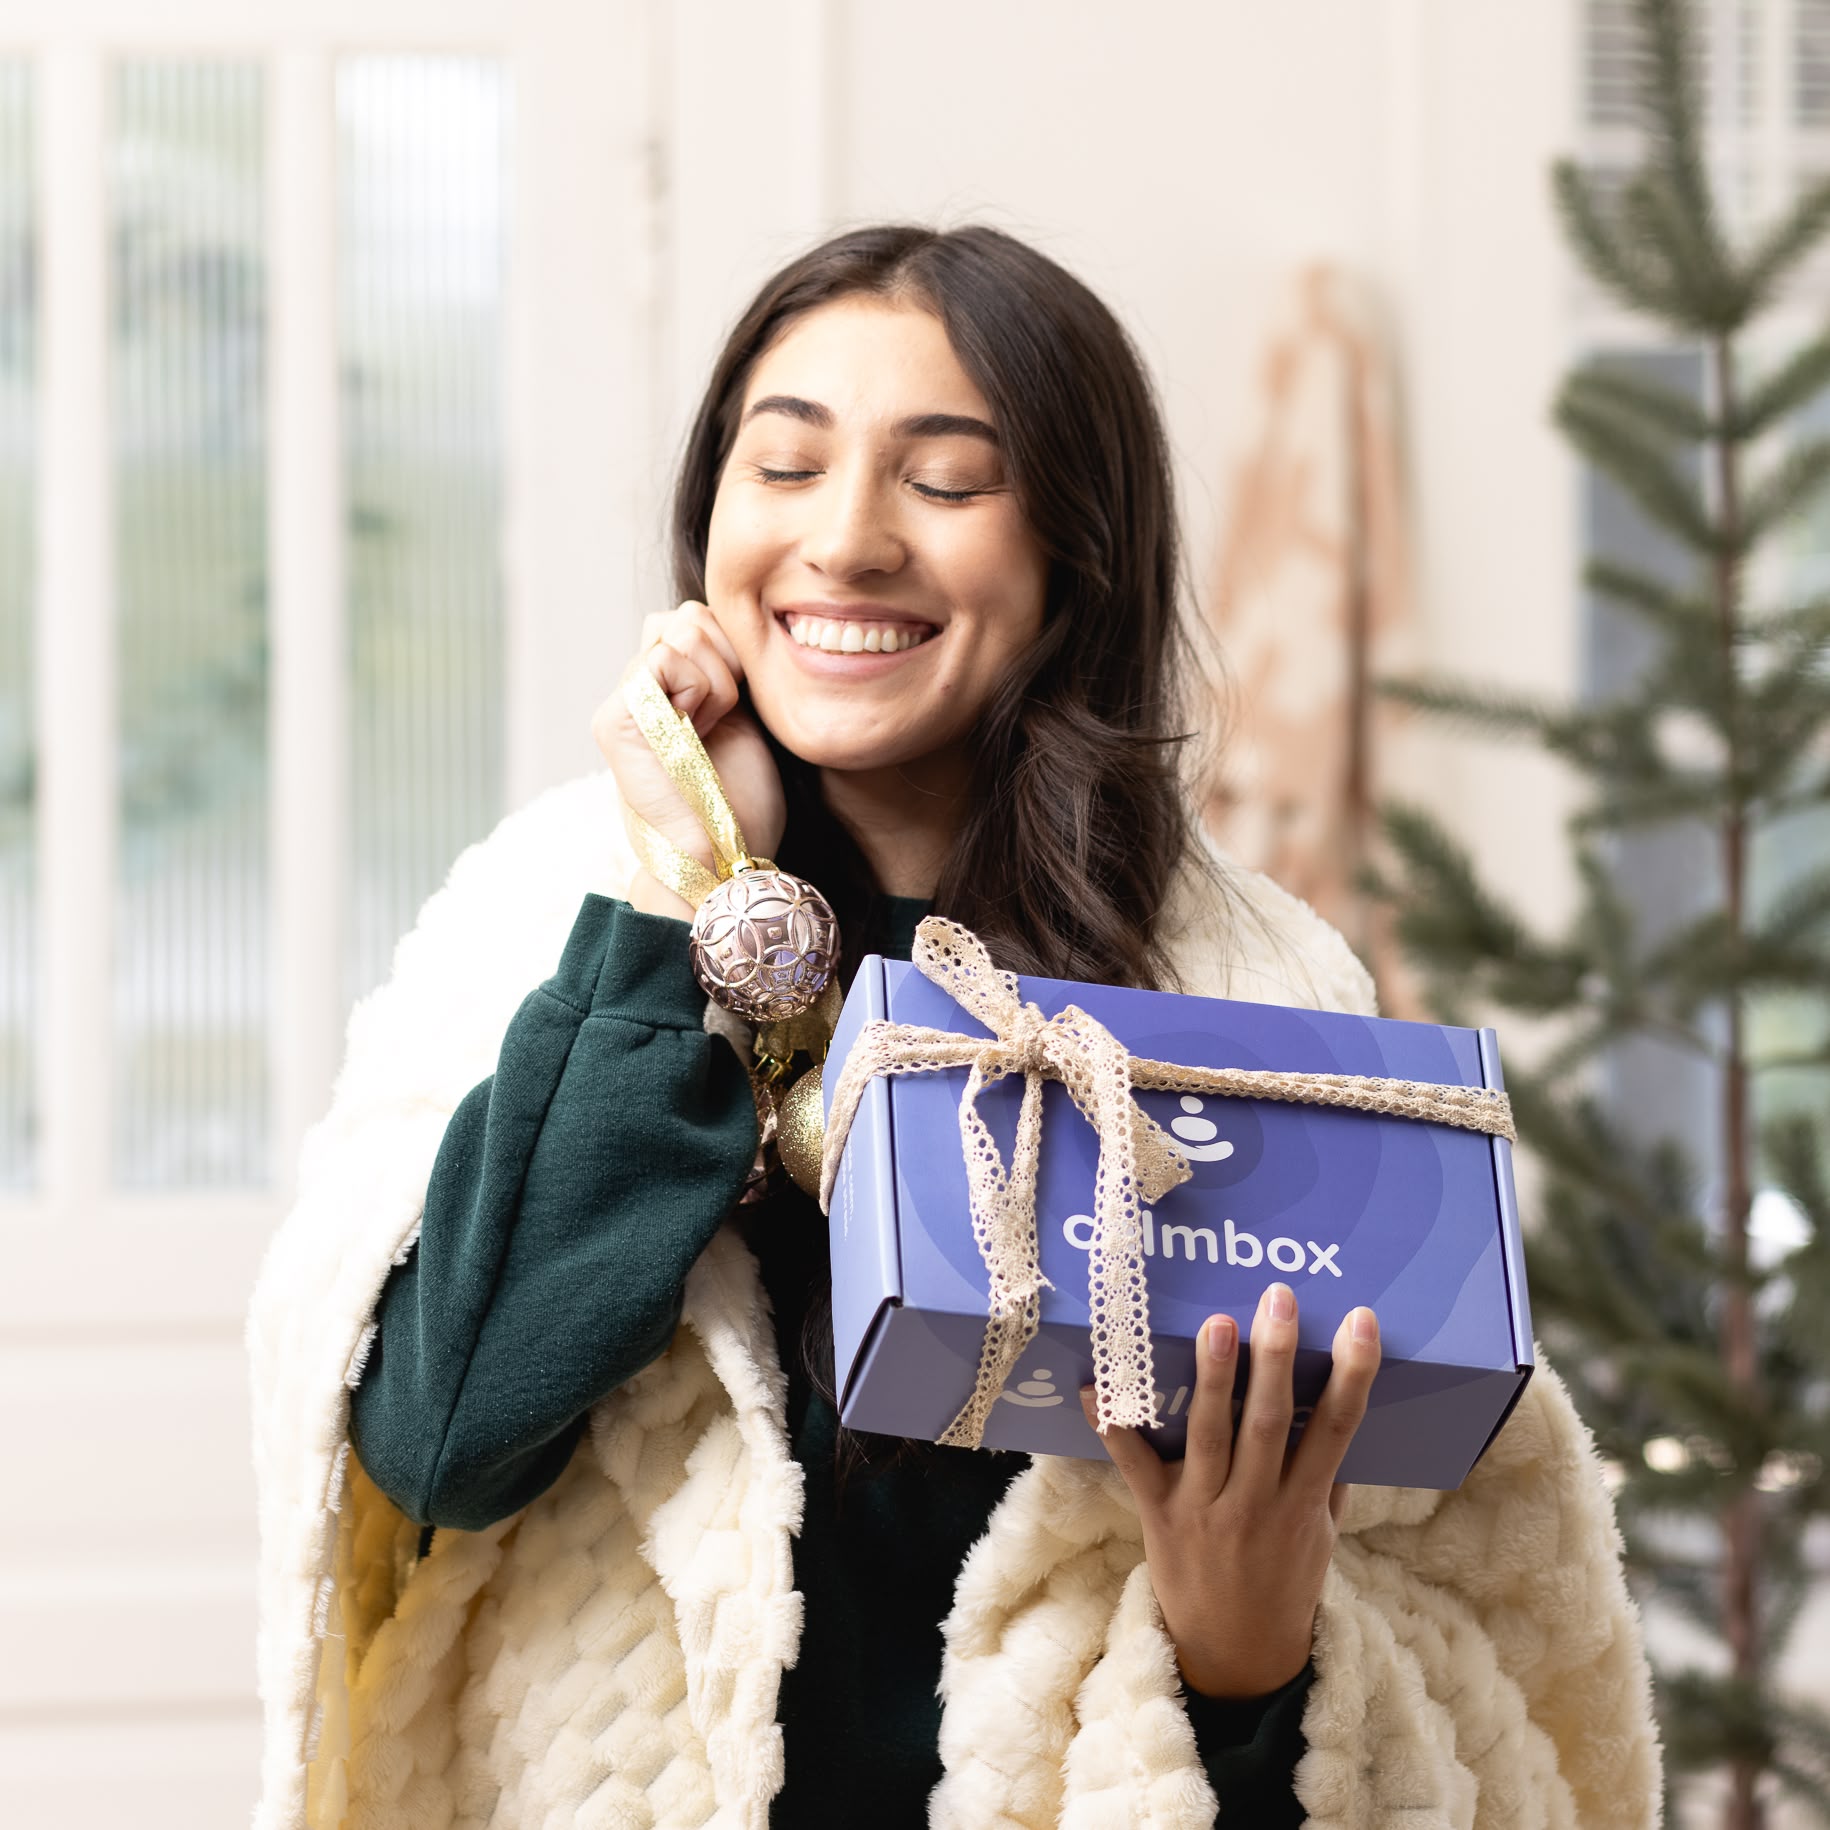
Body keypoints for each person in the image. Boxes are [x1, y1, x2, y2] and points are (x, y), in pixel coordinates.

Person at [249, 224, 1661, 1830]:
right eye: (780, 467)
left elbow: (1422, 1639)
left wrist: (1248, 1647)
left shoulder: (1244, 993)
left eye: (943, 480)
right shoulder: (551, 920)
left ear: (1076, 552)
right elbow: (443, 1437)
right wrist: (687, 897)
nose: (844, 543)